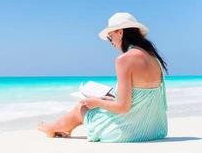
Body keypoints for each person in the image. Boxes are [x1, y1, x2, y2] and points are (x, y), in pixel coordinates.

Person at [38, 12, 168, 142]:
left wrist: (96, 102)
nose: (111, 42)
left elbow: (123, 107)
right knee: (97, 105)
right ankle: (64, 128)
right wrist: (108, 100)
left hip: (130, 132)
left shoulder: (125, 59)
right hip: (154, 129)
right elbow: (141, 98)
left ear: (120, 32)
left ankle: (51, 128)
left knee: (82, 107)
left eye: (110, 37)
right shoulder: (155, 59)